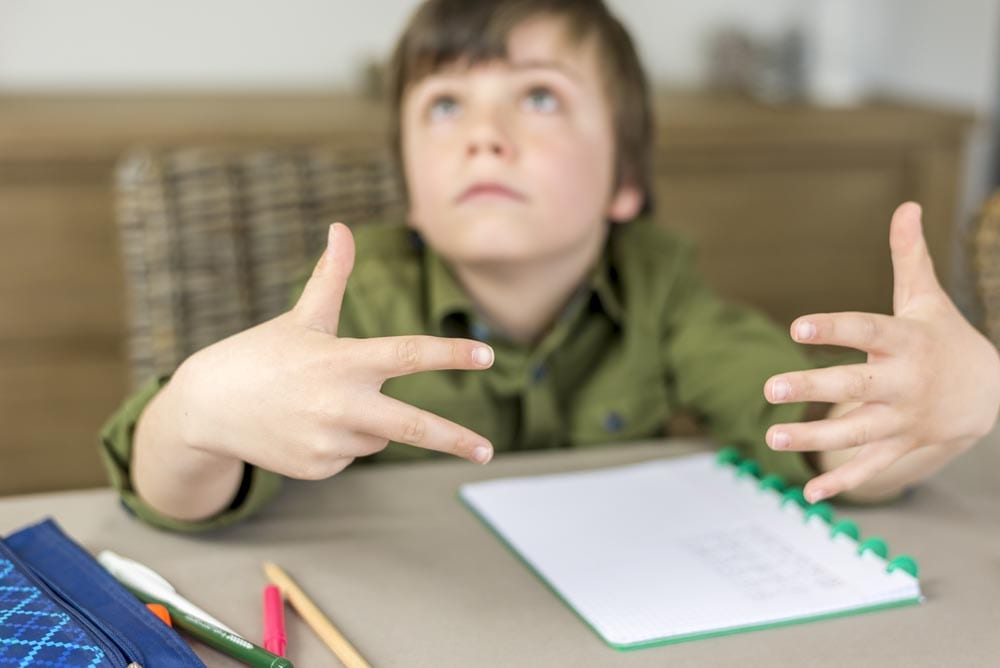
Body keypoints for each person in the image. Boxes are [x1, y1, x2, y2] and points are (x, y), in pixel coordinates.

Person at [101, 0, 1000, 532]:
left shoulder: (664, 289)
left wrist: (922, 415)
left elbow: (813, 443)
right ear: (412, 184)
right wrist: (194, 415)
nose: (486, 135)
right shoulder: (362, 299)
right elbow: (176, 500)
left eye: (538, 96)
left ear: (625, 180)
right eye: (445, 106)